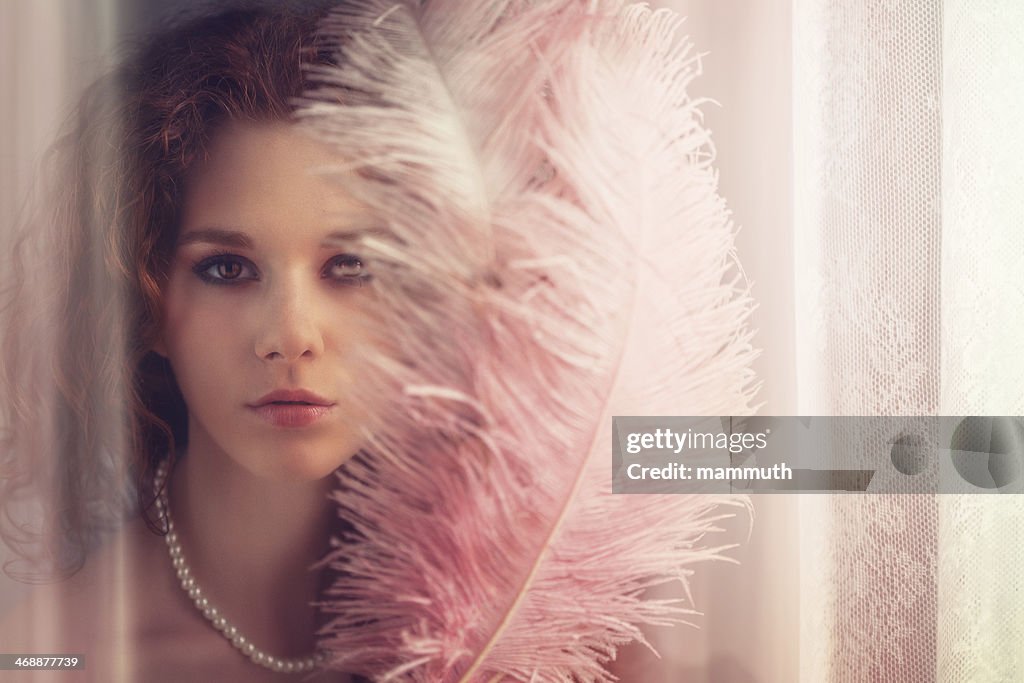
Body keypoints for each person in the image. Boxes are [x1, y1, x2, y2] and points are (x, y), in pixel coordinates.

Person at [0, 5, 378, 681]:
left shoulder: (545, 621)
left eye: (349, 267)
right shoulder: (47, 657)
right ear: (143, 300)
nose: (291, 335)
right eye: (226, 269)